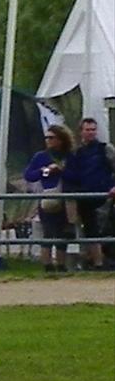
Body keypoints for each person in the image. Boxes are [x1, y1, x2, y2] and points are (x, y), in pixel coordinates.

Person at [62, 117, 115, 270]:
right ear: (81, 132)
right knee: (89, 230)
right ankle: (95, 262)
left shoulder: (105, 149)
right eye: (88, 130)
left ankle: (100, 261)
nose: (91, 133)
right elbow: (71, 175)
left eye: (93, 129)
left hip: (104, 196)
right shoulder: (76, 153)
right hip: (84, 196)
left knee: (101, 228)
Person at [23, 124, 73, 273]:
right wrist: (42, 170)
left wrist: (61, 170)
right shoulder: (41, 156)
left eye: (51, 138)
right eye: (46, 138)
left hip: (66, 199)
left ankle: (62, 265)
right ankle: (47, 265)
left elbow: (76, 176)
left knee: (63, 233)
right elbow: (28, 175)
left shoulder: (70, 156)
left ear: (61, 139)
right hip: (48, 198)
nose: (48, 140)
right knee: (48, 232)